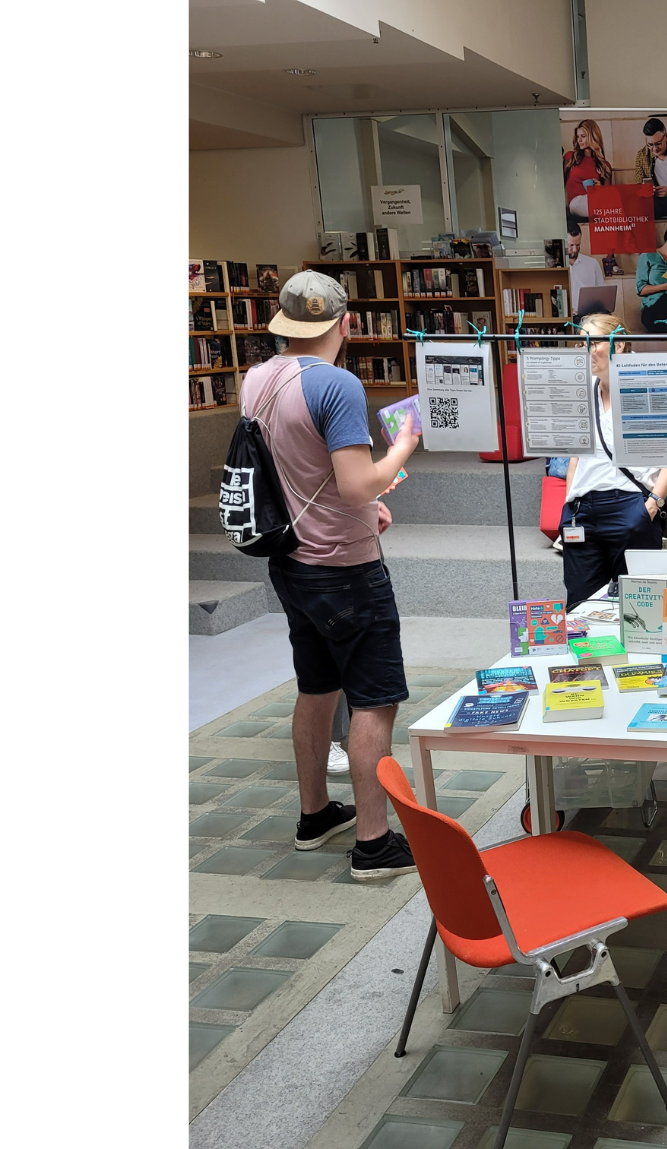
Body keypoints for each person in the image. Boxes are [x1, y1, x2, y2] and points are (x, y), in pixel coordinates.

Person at [247, 271, 421, 880]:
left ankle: (315, 813)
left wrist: (361, 502)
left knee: (316, 688)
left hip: (290, 561)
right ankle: (374, 843)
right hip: (346, 567)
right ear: (345, 323)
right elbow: (355, 482)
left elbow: (296, 469)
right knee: (374, 700)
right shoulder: (338, 385)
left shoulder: (257, 379)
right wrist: (404, 443)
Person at [559, 312, 667, 606]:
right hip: (583, 510)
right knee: (580, 604)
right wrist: (568, 500)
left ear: (620, 344)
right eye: (581, 342)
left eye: (594, 341)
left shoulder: (647, 384)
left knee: (640, 607)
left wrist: (652, 505)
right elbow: (576, 454)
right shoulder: (580, 389)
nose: (587, 350)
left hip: (631, 507)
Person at [635, 220, 667, 335]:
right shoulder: (648, 256)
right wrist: (666, 286)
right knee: (666, 301)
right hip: (654, 306)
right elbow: (640, 289)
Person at [563, 119, 613, 222]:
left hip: (595, 201)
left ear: (593, 137)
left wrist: (599, 188)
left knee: (614, 197)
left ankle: (625, 234)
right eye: (578, 136)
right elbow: (559, 184)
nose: (579, 140)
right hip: (575, 203)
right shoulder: (570, 157)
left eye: (583, 136)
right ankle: (628, 236)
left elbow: (608, 194)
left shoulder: (605, 165)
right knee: (600, 204)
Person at [633, 116, 667, 219]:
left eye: (658, 144)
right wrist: (643, 190)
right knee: (635, 203)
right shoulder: (642, 155)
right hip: (655, 200)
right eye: (650, 144)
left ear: (666, 136)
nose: (654, 149)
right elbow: (638, 187)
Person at [566, 223, 605, 314]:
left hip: (588, 314)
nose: (575, 249)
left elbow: (602, 293)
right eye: (571, 245)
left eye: (578, 245)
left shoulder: (592, 263)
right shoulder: (555, 266)